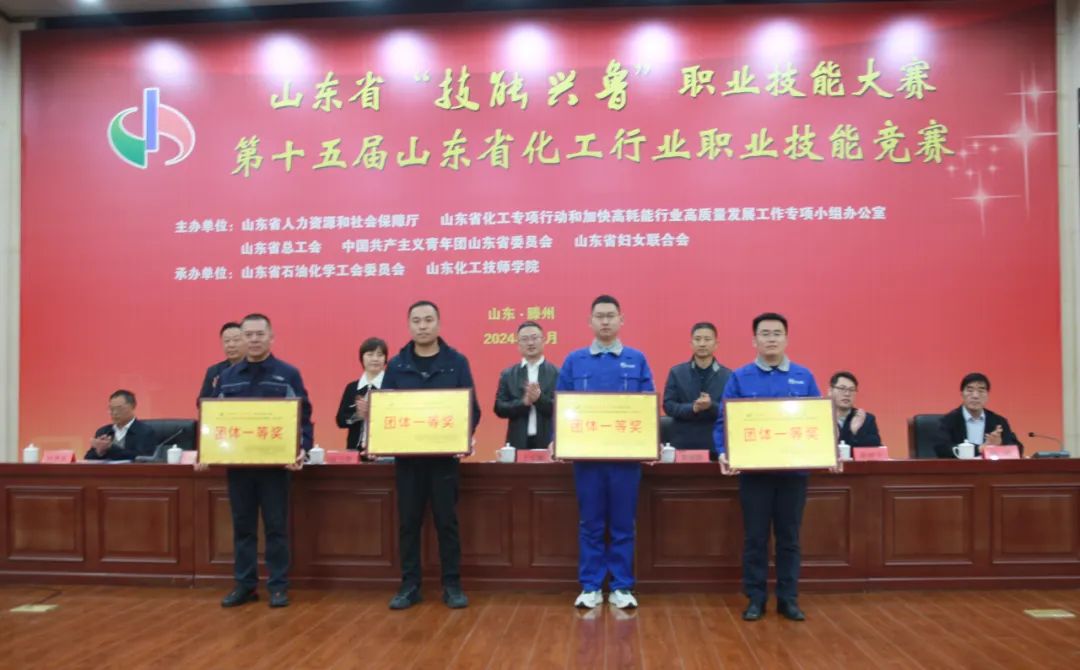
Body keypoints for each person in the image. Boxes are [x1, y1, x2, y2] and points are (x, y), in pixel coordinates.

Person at [713, 312, 822, 623]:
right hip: (755, 474)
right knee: (755, 538)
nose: (771, 338)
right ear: (754, 340)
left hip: (793, 474)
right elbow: (724, 422)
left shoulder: (804, 376)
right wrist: (723, 452)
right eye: (765, 333)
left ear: (786, 339)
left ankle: (788, 599)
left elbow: (818, 421)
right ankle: (756, 598)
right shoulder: (740, 378)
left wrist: (827, 448)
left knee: (789, 538)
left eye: (777, 333)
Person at [376, 300, 481, 611]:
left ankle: (452, 585)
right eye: (417, 320)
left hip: (443, 460)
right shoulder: (397, 365)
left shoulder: (456, 362)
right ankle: (410, 586)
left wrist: (459, 435)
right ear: (409, 325)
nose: (422, 326)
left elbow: (471, 410)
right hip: (408, 461)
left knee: (446, 522)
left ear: (438, 323)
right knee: (408, 524)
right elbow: (386, 410)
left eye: (428, 320)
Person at [556, 295, 655, 610]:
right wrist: (558, 439)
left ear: (621, 320)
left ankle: (622, 586)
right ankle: (591, 586)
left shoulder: (637, 359)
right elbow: (561, 405)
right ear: (590, 321)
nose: (605, 321)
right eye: (599, 316)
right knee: (591, 524)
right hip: (587, 459)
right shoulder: (575, 361)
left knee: (623, 524)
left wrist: (649, 443)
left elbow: (647, 405)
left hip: (625, 459)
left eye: (611, 315)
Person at [210, 313, 312, 609]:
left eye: (259, 334)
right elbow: (215, 418)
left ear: (271, 338)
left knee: (276, 528)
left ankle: (278, 586)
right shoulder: (227, 377)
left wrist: (301, 449)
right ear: (242, 338)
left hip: (275, 467)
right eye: (248, 335)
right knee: (243, 528)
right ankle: (245, 585)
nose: (254, 340)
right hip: (240, 466)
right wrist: (209, 450)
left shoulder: (288, 374)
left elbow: (303, 418)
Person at [662, 322, 732, 452]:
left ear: (716, 344)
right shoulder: (677, 372)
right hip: (682, 443)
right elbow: (668, 406)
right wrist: (693, 408)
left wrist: (711, 406)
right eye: (697, 339)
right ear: (691, 344)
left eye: (707, 339)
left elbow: (731, 410)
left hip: (716, 446)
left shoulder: (728, 376)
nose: (702, 344)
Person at [493, 321, 559, 450]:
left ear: (544, 340)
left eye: (534, 338)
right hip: (517, 441)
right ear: (518, 344)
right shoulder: (508, 374)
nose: (530, 343)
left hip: (548, 442)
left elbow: (561, 408)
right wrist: (524, 402)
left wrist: (539, 399)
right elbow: (499, 408)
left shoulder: (557, 373)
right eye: (524, 339)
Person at [934, 372, 1023, 457]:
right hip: (959, 467)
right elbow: (942, 449)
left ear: (987, 395)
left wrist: (1000, 445)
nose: (975, 396)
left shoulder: (998, 421)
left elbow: (1018, 449)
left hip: (990, 467)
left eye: (981, 391)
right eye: (970, 390)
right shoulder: (947, 421)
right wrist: (980, 449)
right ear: (961, 394)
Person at [335, 337, 388, 454]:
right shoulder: (352, 388)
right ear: (361, 358)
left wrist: (373, 412)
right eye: (370, 354)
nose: (375, 359)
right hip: (354, 452)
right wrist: (357, 416)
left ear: (385, 359)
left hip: (384, 452)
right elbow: (340, 421)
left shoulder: (390, 386)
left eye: (380, 355)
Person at [84, 390, 158, 461]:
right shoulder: (103, 431)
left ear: (133, 406)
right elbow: (87, 459)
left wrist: (110, 447)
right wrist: (99, 452)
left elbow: (141, 458)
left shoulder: (145, 432)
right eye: (111, 409)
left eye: (119, 408)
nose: (115, 413)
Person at [827, 371, 882, 447]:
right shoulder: (819, 418)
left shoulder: (866, 419)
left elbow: (876, 446)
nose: (847, 394)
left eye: (851, 390)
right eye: (842, 388)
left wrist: (855, 433)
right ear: (830, 391)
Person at [197, 321, 247, 402]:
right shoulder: (214, 371)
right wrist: (216, 390)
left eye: (236, 340)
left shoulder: (255, 368)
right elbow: (201, 402)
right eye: (227, 341)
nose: (231, 345)